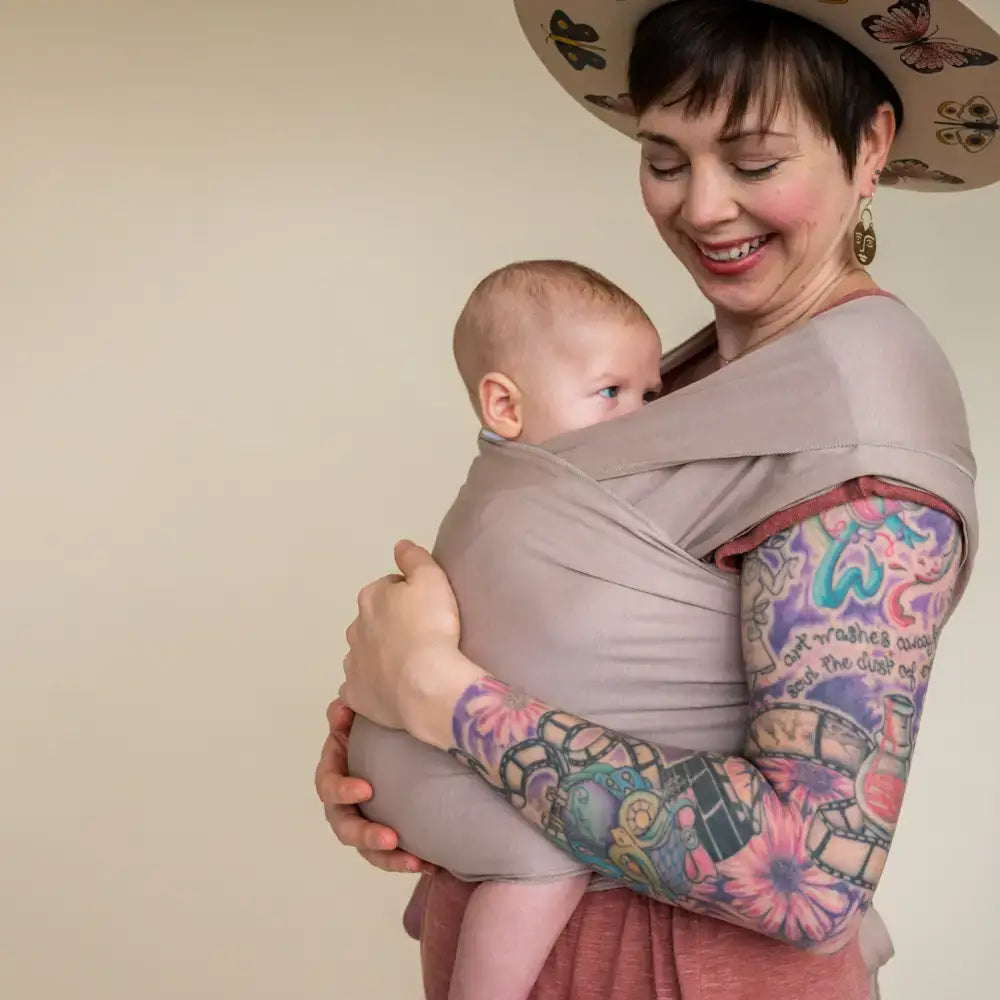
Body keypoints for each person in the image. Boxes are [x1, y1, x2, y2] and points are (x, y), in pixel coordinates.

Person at [320, 2, 998, 998]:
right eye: (666, 159)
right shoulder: (696, 371)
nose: (702, 206)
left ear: (869, 149)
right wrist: (381, 767)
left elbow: (808, 871)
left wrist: (440, 700)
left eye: (754, 160)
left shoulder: (858, 424)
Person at [349, 258, 664, 1000]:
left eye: (651, 394)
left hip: (426, 749)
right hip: (421, 756)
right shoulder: (532, 503)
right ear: (505, 406)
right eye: (610, 393)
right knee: (548, 856)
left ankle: (444, 898)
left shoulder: (523, 483)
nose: (643, 418)